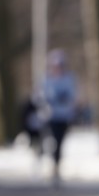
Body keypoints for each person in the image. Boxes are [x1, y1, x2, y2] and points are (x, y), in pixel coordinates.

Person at [41, 49, 79, 183]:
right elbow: (41, 97)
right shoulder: (47, 80)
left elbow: (73, 96)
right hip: (52, 116)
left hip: (64, 117)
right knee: (53, 141)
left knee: (60, 141)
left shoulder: (69, 79)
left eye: (60, 65)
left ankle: (57, 164)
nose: (57, 68)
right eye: (55, 66)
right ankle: (53, 163)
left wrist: (67, 102)